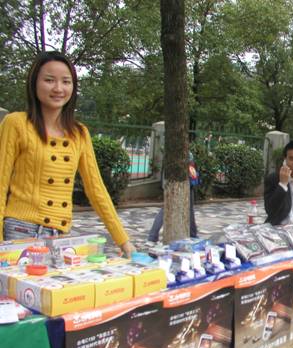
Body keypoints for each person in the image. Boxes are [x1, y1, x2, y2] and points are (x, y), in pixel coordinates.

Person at [0, 51, 135, 257]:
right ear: (34, 83)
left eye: (66, 81)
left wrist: (123, 241)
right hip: (21, 231)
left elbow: (96, 190)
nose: (58, 88)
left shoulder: (79, 133)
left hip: (61, 236)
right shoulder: (16, 123)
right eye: (49, 80)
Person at [147, 154, 199, 243]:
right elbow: (192, 171)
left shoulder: (170, 156)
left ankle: (153, 236)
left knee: (166, 209)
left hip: (172, 182)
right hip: (183, 184)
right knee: (186, 209)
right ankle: (192, 234)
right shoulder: (185, 155)